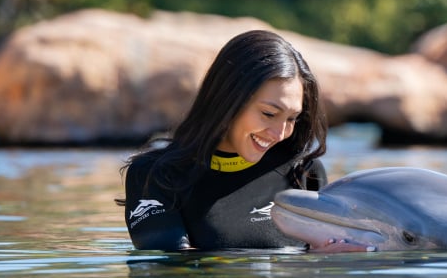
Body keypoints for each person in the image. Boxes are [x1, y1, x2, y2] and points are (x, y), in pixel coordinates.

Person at [120, 30, 328, 251]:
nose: (279, 133)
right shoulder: (156, 176)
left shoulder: (304, 173)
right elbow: (171, 266)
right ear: (229, 100)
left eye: (292, 118)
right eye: (269, 114)